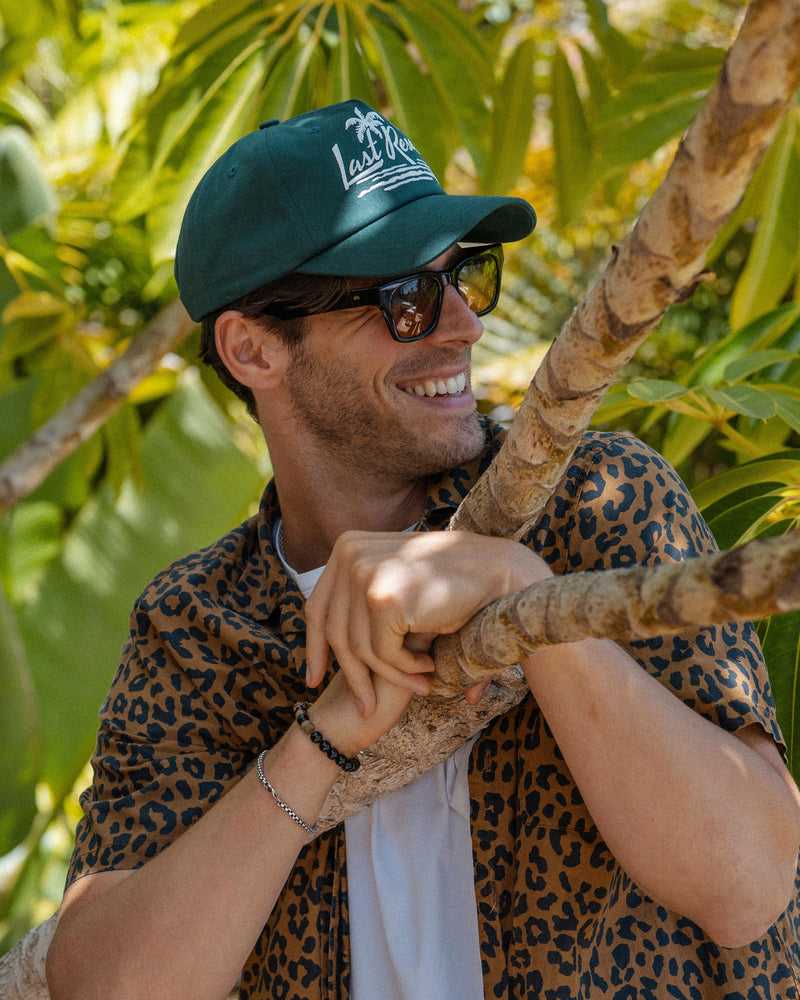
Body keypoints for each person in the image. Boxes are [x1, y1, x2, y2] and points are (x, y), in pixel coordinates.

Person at [46, 99, 800, 1000]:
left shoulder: (593, 498)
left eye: (464, 278)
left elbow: (748, 885)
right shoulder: (198, 625)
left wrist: (523, 594)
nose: (463, 325)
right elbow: (110, 988)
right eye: (404, 297)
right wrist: (323, 739)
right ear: (253, 350)